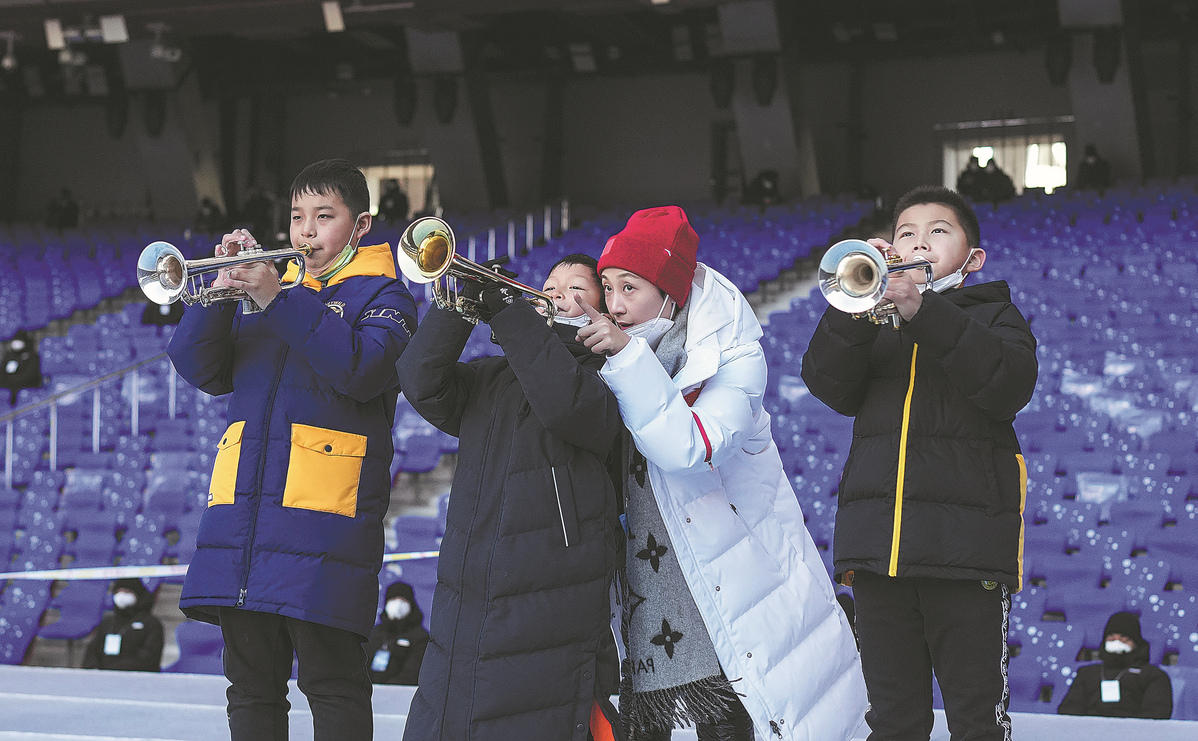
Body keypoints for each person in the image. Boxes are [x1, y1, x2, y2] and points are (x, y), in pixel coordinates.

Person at [576, 206, 866, 741]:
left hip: (736, 583)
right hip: (643, 587)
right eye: (608, 287)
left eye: (630, 288)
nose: (614, 306)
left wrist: (626, 360)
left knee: (729, 722)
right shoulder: (617, 351)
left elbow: (687, 448)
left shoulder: (733, 355)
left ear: (670, 292)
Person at [167, 158, 417, 741]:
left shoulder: (388, 297)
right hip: (244, 527)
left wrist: (277, 299)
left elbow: (362, 370)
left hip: (324, 527)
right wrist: (221, 293)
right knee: (250, 691)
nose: (306, 230)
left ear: (360, 226)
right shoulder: (273, 293)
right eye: (298, 216)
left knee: (333, 687)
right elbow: (200, 368)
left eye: (324, 217)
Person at [801, 185, 1038, 741]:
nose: (919, 242)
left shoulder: (998, 315)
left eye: (938, 232)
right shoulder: (872, 322)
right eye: (906, 233)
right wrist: (857, 311)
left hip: (966, 557)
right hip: (879, 556)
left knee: (977, 724)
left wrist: (923, 311)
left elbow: (1006, 386)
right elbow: (827, 383)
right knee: (893, 722)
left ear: (973, 259)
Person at [397, 252, 626, 741]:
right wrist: (459, 308)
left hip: (544, 598)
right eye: (551, 284)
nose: (557, 293)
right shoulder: (492, 376)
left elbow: (565, 406)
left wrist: (508, 312)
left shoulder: (609, 375)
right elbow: (419, 380)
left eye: (577, 288)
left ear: (603, 311)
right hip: (468, 588)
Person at [1057, 611, 1172, 719]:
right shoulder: (1087, 674)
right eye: (1111, 637)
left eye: (1123, 638)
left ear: (1135, 642)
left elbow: (1155, 715)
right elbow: (1069, 712)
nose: (1116, 641)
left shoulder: (1153, 676)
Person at [82, 578, 164, 672]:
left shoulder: (151, 624)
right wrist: (94, 669)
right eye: (118, 592)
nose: (121, 596)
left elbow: (149, 657)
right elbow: (92, 651)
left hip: (135, 677)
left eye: (126, 592)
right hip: (104, 677)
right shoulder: (108, 623)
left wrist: (117, 669)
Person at [363, 581, 429, 686]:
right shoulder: (374, 633)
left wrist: (386, 690)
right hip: (368, 691)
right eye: (393, 599)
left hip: (400, 693)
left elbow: (412, 673)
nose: (398, 604)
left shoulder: (421, 637)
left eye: (403, 600)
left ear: (411, 604)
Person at [0, 331, 43, 406]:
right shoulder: (8, 356)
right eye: (15, 340)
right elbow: (2, 372)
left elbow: (31, 375)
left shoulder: (33, 357)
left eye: (19, 340)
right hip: (8, 386)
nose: (16, 343)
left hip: (25, 386)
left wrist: (12, 381)